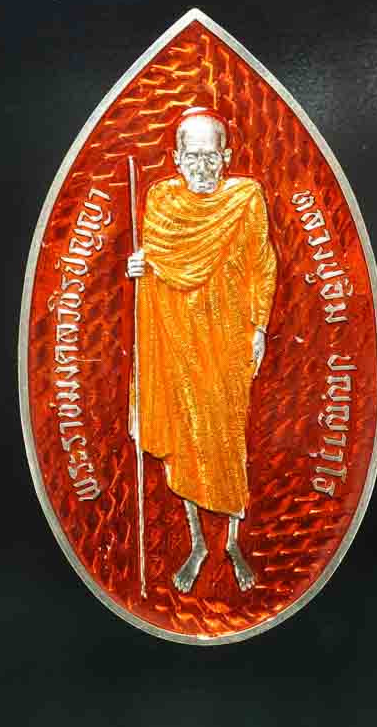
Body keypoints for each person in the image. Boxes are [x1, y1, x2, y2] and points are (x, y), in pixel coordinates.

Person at [127, 107, 277, 593]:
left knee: (227, 440)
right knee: (186, 440)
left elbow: (262, 264)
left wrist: (259, 328)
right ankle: (196, 543)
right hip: (179, 339)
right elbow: (158, 262)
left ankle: (232, 542)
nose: (202, 166)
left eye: (210, 156)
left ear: (226, 156)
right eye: (192, 157)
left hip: (229, 342)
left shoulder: (246, 198)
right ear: (176, 158)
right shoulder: (161, 200)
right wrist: (138, 266)